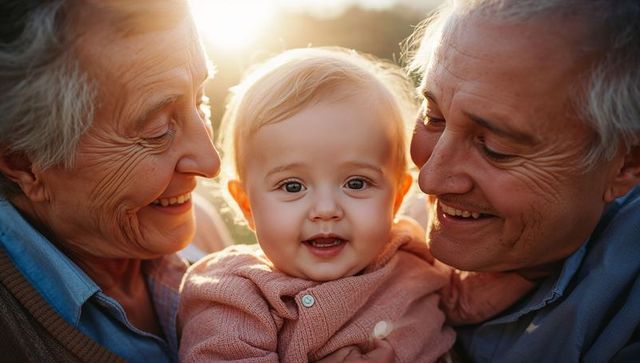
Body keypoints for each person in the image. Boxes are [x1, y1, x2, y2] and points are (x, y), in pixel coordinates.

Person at [178, 47, 534, 362]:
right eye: (292, 185)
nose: (326, 209)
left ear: (396, 197)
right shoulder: (236, 293)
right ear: (247, 206)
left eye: (356, 183)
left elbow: (466, 299)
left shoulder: (412, 259)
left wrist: (535, 262)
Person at [407, 0, 640, 362]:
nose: (428, 178)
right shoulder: (371, 216)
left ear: (626, 164)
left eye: (496, 149)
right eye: (433, 117)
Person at [0, 0, 220, 361]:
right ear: (25, 162)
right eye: (158, 129)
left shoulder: (203, 228)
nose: (211, 162)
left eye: (202, 101)